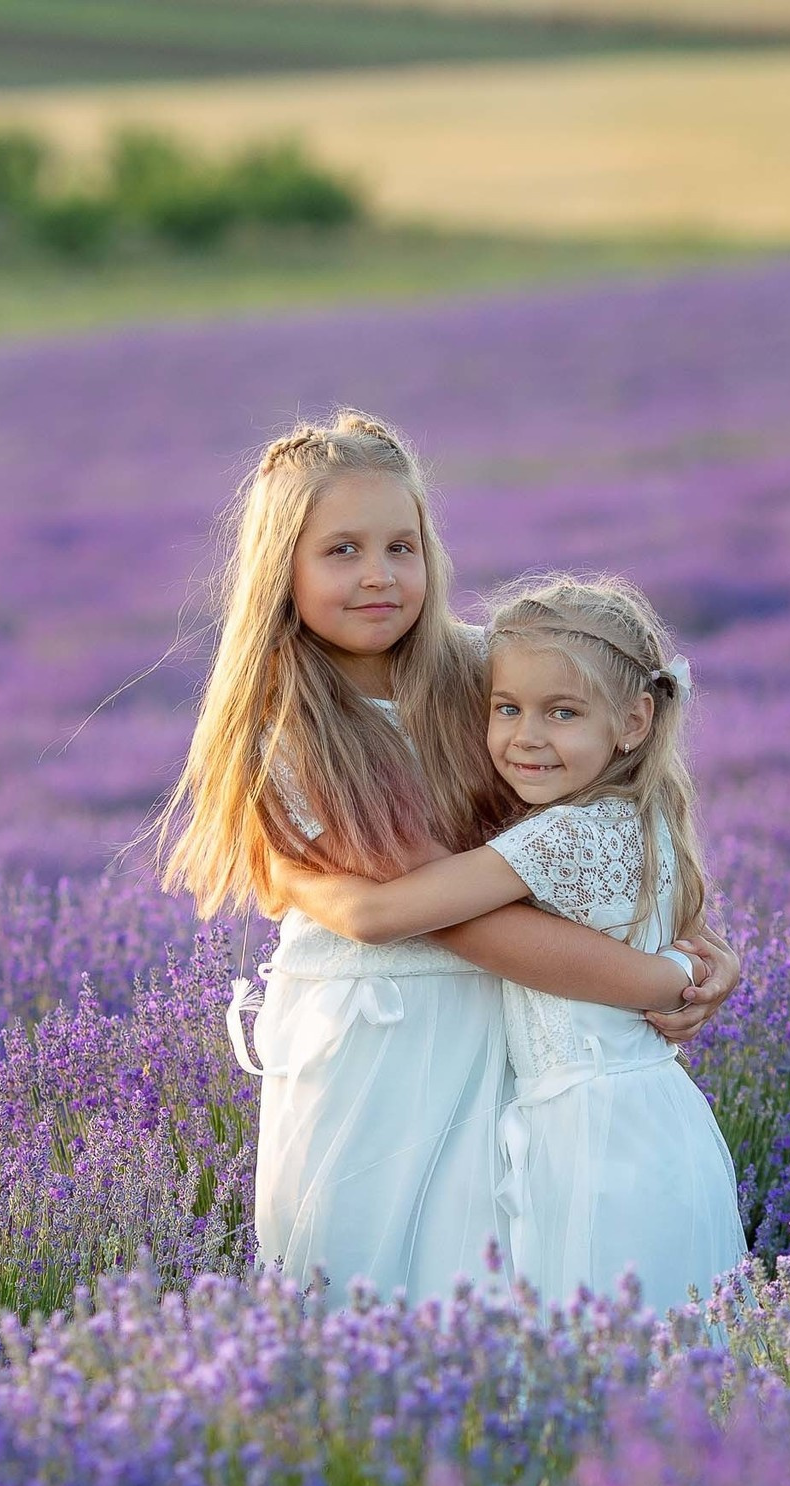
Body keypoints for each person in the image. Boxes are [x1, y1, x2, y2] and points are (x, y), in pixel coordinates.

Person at [159, 410, 740, 1305]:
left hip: (500, 1032)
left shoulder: (484, 676)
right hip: (370, 1042)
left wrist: (695, 940)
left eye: (402, 546)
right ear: (283, 570)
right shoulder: (292, 729)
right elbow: (446, 919)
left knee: (489, 1289)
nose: (379, 575)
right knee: (361, 1281)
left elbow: (616, 808)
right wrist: (653, 979)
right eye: (342, 551)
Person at [275, 573, 748, 1313]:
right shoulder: (636, 810)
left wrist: (285, 870)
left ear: (634, 721)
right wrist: (683, 968)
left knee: (596, 1339)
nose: (527, 736)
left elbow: (382, 914)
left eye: (562, 712)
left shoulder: (565, 835)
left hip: (594, 1136)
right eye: (507, 708)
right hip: (645, 1118)